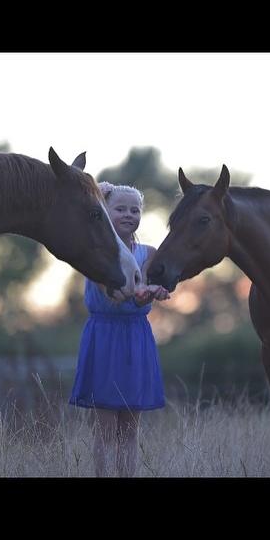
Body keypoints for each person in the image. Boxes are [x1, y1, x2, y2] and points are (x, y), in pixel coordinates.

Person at [69, 181, 170, 477]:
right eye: (120, 208)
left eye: (135, 210)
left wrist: (151, 292)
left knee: (130, 426)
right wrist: (95, 192)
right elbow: (112, 293)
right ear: (104, 209)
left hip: (136, 336)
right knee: (105, 427)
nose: (129, 214)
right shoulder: (94, 250)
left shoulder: (149, 253)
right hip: (104, 336)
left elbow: (140, 294)